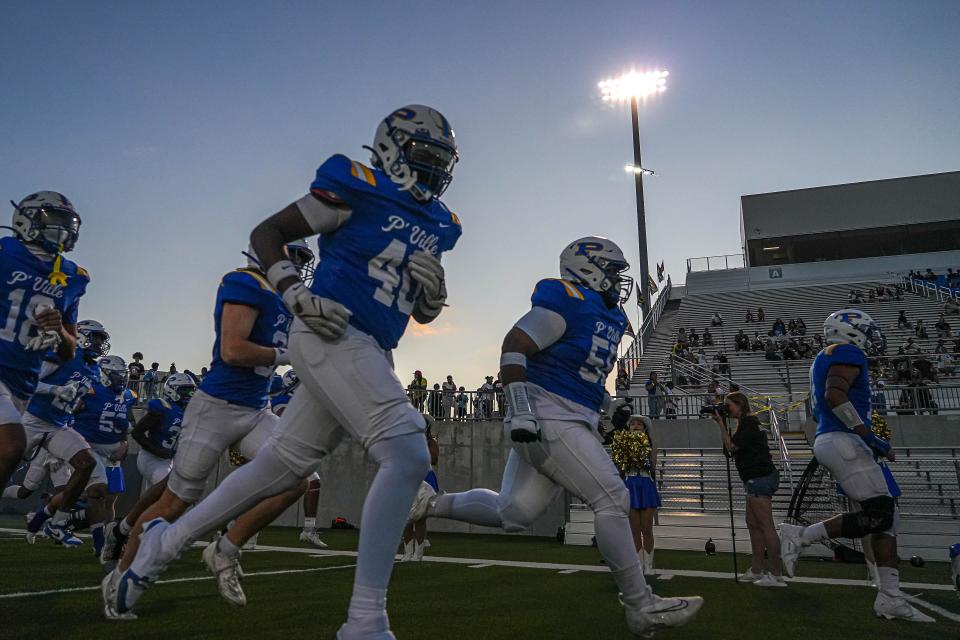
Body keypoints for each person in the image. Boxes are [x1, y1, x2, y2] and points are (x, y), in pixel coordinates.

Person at [111, 105, 463, 637]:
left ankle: (166, 544)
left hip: (372, 346)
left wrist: (434, 298)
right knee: (408, 450)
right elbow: (269, 230)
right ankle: (365, 621)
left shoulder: (442, 223)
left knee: (283, 466)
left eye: (442, 161)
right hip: (329, 333)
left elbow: (417, 309)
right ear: (392, 149)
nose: (434, 171)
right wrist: (294, 294)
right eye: (425, 157)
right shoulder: (358, 184)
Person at [415, 236, 702, 635]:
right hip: (546, 412)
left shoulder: (610, 318)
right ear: (588, 269)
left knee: (513, 513)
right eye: (613, 271)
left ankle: (429, 504)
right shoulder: (565, 297)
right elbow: (514, 346)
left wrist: (607, 405)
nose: (619, 280)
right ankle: (640, 604)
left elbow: (580, 375)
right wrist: (520, 409)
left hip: (568, 415)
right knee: (613, 497)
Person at [104, 240, 318, 618]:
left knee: (299, 476)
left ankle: (226, 547)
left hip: (257, 409)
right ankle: (122, 573)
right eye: (293, 257)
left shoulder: (290, 304)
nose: (297, 268)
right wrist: (287, 355)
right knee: (174, 502)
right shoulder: (245, 282)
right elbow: (234, 350)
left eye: (302, 260)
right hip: (216, 407)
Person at [779, 308, 933, 622]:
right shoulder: (847, 352)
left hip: (836, 438)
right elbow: (835, 395)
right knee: (880, 514)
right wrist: (869, 436)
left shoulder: (828, 354)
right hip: (842, 438)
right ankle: (801, 535)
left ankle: (889, 597)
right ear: (850, 330)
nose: (872, 336)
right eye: (866, 329)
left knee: (887, 521)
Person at [0, 192, 88, 491]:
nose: (62, 230)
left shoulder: (72, 276)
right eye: (54, 221)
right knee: (11, 445)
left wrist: (58, 331)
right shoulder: (5, 252)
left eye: (66, 223)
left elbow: (69, 350)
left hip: (22, 379)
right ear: (26, 220)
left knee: (8, 454)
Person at [20, 320, 107, 545]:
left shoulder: (94, 370)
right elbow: (28, 382)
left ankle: (57, 523)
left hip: (58, 426)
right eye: (95, 337)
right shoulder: (62, 354)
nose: (99, 343)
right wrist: (55, 389)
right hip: (33, 421)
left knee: (86, 463)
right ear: (81, 336)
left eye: (101, 339)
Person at [713, 392, 784, 586]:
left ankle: (777, 574)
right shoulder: (748, 422)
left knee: (765, 525)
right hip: (757, 478)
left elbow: (732, 447)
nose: (727, 410)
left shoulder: (749, 423)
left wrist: (720, 424)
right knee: (752, 523)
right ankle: (757, 569)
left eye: (729, 406)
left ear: (739, 405)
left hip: (759, 478)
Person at [70, 355, 136, 559]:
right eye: (117, 375)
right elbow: (70, 414)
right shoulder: (89, 391)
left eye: (123, 375)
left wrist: (124, 443)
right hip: (90, 449)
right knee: (98, 494)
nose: (121, 379)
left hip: (112, 453)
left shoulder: (128, 395)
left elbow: (129, 422)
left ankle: (107, 537)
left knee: (110, 499)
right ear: (105, 374)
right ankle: (98, 541)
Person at [267, 369, 326, 548]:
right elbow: (285, 419)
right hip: (276, 452)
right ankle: (228, 527)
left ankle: (308, 530)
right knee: (256, 492)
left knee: (313, 483)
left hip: (292, 452)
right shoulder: (280, 401)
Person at [612, 415, 661, 576]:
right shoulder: (622, 444)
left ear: (645, 428)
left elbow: (652, 467)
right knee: (634, 529)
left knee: (647, 528)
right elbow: (619, 470)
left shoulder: (651, 445)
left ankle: (649, 565)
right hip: (629, 484)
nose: (636, 425)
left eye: (639, 424)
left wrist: (640, 452)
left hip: (646, 484)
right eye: (632, 423)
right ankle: (638, 564)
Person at [132, 373, 195, 489]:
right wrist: (157, 451)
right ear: (172, 390)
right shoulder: (163, 408)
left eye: (191, 390)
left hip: (170, 461)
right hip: (151, 459)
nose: (190, 394)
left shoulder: (188, 411)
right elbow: (136, 432)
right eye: (186, 390)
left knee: (155, 499)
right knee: (172, 490)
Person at [401, 414, 440, 562]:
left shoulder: (430, 442)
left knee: (420, 518)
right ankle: (407, 552)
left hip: (425, 479)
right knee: (406, 518)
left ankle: (418, 554)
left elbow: (434, 460)